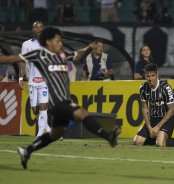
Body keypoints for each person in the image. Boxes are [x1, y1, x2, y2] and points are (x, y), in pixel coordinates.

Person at [0, 27, 121, 169]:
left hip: (64, 101)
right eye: (58, 41)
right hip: (57, 102)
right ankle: (109, 137)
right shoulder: (39, 54)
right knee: (82, 113)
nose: (60, 44)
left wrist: (89, 47)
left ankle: (27, 151)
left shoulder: (62, 55)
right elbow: (10, 58)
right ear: (48, 41)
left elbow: (78, 56)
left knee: (56, 134)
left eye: (61, 41)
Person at [133, 63, 174, 147]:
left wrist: (158, 127)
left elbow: (172, 110)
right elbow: (144, 108)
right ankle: (155, 137)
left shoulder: (165, 88)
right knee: (138, 142)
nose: (150, 79)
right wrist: (149, 127)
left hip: (167, 119)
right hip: (153, 119)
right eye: (147, 76)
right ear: (145, 76)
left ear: (157, 75)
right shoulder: (143, 88)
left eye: (152, 75)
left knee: (160, 144)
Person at [19, 21, 51, 140]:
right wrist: (21, 77)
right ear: (33, 30)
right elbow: (22, 61)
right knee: (35, 110)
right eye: (36, 28)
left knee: (43, 106)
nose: (39, 29)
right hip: (32, 80)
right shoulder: (26, 44)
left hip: (44, 81)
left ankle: (39, 135)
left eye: (41, 27)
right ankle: (48, 129)